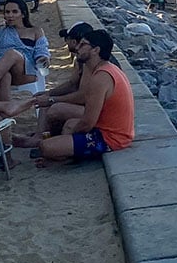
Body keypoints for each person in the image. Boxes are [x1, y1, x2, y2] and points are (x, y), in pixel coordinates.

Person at [35, 30, 134, 163]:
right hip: (113, 130)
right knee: (69, 125)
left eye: (83, 45)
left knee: (46, 147)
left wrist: (68, 137)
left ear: (96, 50)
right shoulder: (107, 69)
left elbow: (88, 123)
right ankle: (68, 151)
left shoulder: (100, 78)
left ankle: (71, 155)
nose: (77, 48)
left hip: (110, 138)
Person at [0, 0, 50, 102]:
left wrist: (43, 58)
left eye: (14, 12)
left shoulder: (35, 31)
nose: (10, 15)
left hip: (25, 72)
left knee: (12, 53)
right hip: (2, 71)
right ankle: (4, 116)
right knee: (5, 77)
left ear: (23, 14)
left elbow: (42, 50)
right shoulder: (1, 32)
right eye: (7, 12)